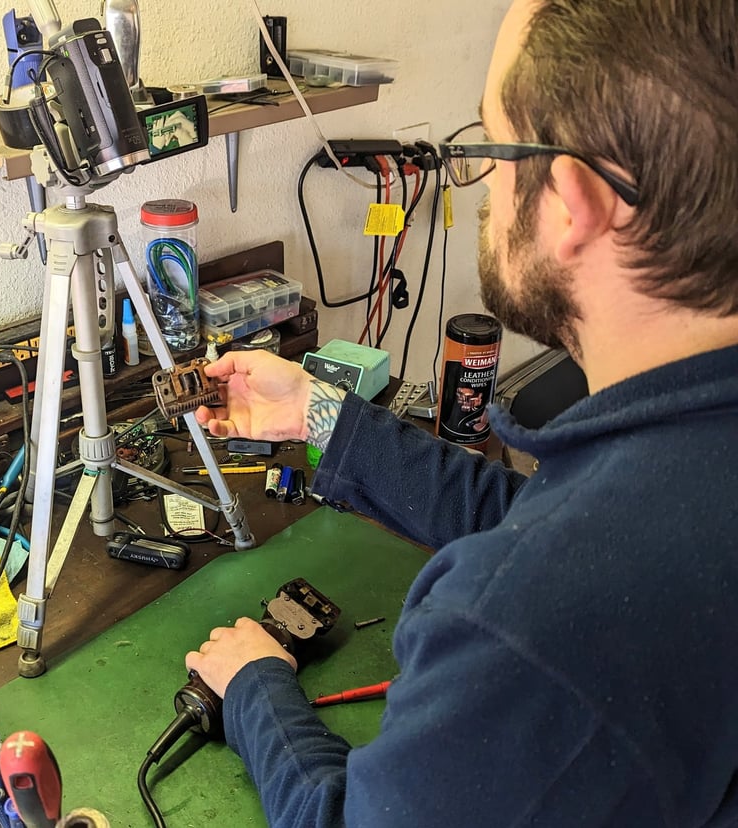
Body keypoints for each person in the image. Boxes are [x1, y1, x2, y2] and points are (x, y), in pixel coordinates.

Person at [187, 0, 738, 824]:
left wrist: (256, 688)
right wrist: (321, 413)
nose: (483, 187)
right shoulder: (685, 452)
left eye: (489, 147)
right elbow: (542, 521)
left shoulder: (529, 625)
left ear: (572, 199)